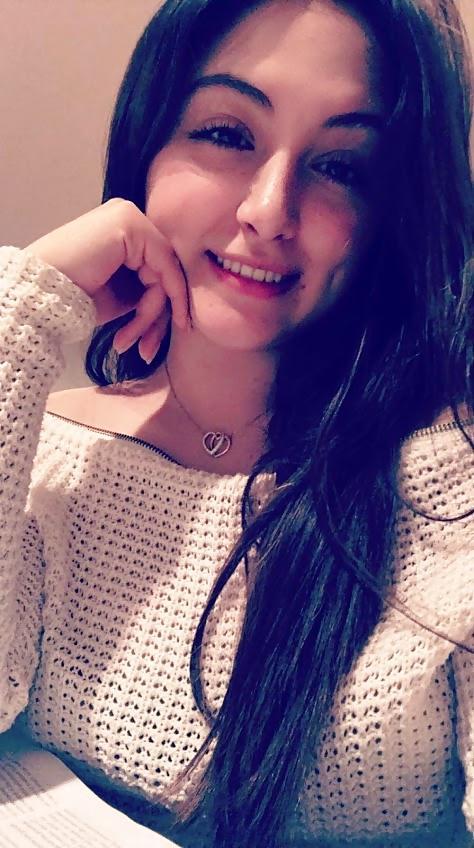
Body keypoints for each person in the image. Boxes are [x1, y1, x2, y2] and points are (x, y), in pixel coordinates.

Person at [0, 0, 472, 845]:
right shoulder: (50, 456)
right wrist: (23, 316)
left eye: (343, 166)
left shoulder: (452, 484)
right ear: (147, 148)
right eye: (226, 134)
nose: (268, 209)